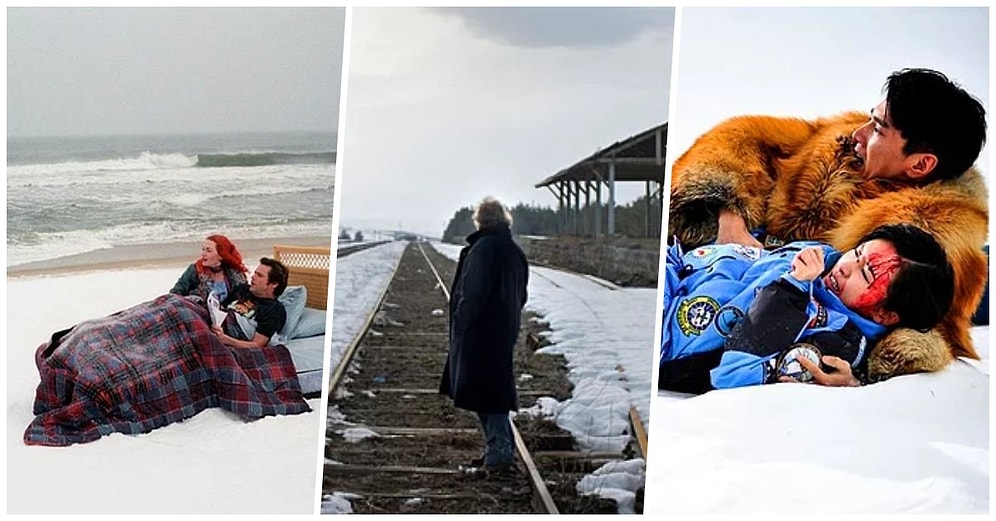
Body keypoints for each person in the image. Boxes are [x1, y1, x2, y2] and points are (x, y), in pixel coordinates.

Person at [666, 68, 987, 382]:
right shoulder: (838, 140)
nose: (858, 134)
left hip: (722, 332)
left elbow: (918, 339)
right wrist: (729, 214)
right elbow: (741, 137)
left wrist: (857, 375)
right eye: (871, 119)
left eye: (878, 129)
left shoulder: (934, 242)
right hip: (703, 265)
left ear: (920, 164)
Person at [659, 224, 955, 394]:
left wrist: (793, 289)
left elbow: (732, 373)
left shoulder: (835, 340)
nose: (846, 267)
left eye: (865, 275)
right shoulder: (825, 260)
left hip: (668, 330)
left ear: (884, 314)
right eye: (857, 253)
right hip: (678, 265)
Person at [439, 197, 529, 475]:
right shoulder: (513, 250)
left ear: (480, 220)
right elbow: (522, 294)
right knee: (491, 391)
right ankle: (498, 450)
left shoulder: (483, 249)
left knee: (487, 394)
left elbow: (473, 293)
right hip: (502, 329)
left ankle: (499, 454)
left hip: (480, 331)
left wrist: (462, 323)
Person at [211, 257, 289, 349]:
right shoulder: (242, 289)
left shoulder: (274, 309)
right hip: (217, 322)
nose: (253, 277)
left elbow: (257, 344)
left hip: (233, 331)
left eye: (259, 275)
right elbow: (220, 308)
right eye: (255, 273)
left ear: (274, 284)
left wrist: (225, 339)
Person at [170, 234, 248, 304]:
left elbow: (245, 296)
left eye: (208, 250)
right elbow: (175, 293)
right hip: (198, 314)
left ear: (221, 255)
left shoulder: (235, 273)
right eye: (203, 249)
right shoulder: (195, 270)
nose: (203, 254)